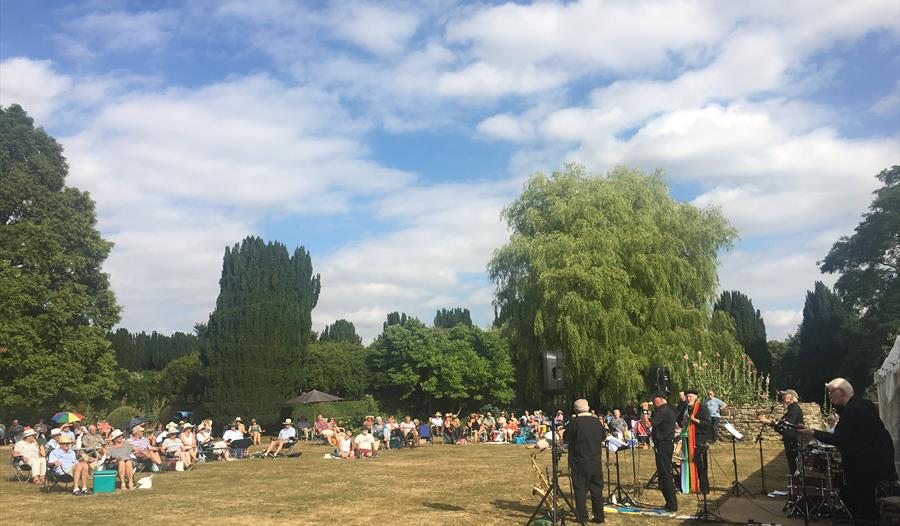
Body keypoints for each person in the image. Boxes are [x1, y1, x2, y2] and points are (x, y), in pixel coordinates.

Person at [798, 378, 898, 521]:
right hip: (879, 468)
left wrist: (813, 433)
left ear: (841, 392)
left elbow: (839, 439)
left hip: (865, 472)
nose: (829, 397)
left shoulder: (853, 410)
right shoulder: (865, 405)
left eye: (830, 392)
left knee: (864, 510)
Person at [566, 399, 605, 524]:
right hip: (595, 461)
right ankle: (599, 516)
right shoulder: (596, 421)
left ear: (575, 410)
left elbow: (566, 437)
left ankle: (582, 517)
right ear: (588, 408)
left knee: (580, 490)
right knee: (597, 490)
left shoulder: (575, 423)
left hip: (579, 462)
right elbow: (603, 437)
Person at [757, 389, 804, 476]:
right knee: (792, 464)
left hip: (793, 441)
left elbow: (786, 426)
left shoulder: (795, 409)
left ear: (792, 397)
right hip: (790, 440)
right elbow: (782, 426)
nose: (783, 397)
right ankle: (795, 479)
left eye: (785, 395)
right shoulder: (792, 409)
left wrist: (768, 421)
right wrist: (769, 423)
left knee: (794, 464)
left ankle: (796, 480)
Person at [650, 392, 678, 512]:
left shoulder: (663, 411)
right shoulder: (664, 410)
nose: (653, 402)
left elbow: (648, 423)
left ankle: (672, 503)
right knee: (663, 474)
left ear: (661, 399)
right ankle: (669, 502)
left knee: (665, 474)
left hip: (664, 444)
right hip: (663, 444)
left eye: (655, 400)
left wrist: (645, 411)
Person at [681, 389, 712, 494]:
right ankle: (690, 485)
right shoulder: (686, 408)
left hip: (699, 438)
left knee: (701, 465)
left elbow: (707, 424)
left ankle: (704, 488)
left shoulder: (701, 407)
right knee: (689, 462)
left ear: (696, 397)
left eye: (690, 396)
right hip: (688, 438)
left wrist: (695, 420)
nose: (688, 398)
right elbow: (681, 421)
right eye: (687, 396)